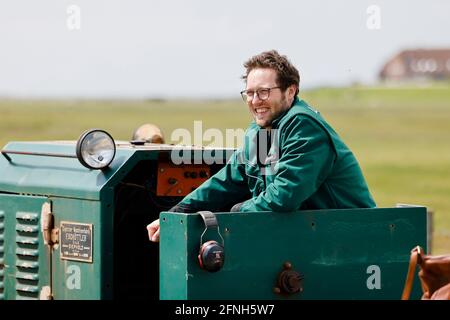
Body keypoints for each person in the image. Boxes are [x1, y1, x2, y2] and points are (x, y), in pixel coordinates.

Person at [148, 50, 376, 242]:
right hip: (310, 235)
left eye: (264, 92)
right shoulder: (265, 131)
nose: (255, 100)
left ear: (291, 91)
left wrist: (236, 213)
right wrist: (177, 213)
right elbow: (229, 180)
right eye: (249, 93)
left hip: (351, 238)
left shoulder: (302, 125)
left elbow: (283, 196)